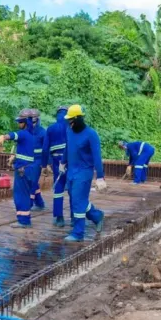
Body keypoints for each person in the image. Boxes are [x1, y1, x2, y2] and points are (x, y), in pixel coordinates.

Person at [62, 104, 106, 243]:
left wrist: (100, 177)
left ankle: (78, 233)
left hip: (84, 172)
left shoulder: (91, 134)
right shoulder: (69, 131)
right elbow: (67, 147)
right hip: (71, 171)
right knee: (75, 199)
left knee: (78, 201)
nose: (69, 122)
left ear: (79, 118)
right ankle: (96, 216)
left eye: (71, 119)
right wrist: (62, 163)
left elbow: (97, 156)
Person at [0, 109, 37, 228]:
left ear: (25, 122)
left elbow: (13, 135)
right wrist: (15, 157)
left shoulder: (23, 134)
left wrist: (3, 137)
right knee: (25, 195)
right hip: (30, 169)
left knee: (20, 195)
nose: (19, 124)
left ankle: (23, 221)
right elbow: (26, 152)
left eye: (20, 122)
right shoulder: (32, 135)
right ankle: (25, 219)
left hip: (23, 170)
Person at [42, 105, 70, 227]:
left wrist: (44, 165)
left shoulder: (51, 128)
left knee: (58, 188)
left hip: (56, 161)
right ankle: (75, 218)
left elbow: (44, 149)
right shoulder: (71, 127)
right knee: (72, 188)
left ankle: (59, 218)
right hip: (70, 161)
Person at [27, 108, 46, 211]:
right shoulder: (26, 131)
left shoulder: (43, 132)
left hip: (38, 161)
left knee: (33, 182)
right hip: (28, 161)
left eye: (34, 120)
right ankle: (39, 202)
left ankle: (28, 204)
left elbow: (46, 149)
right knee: (31, 181)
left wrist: (46, 164)